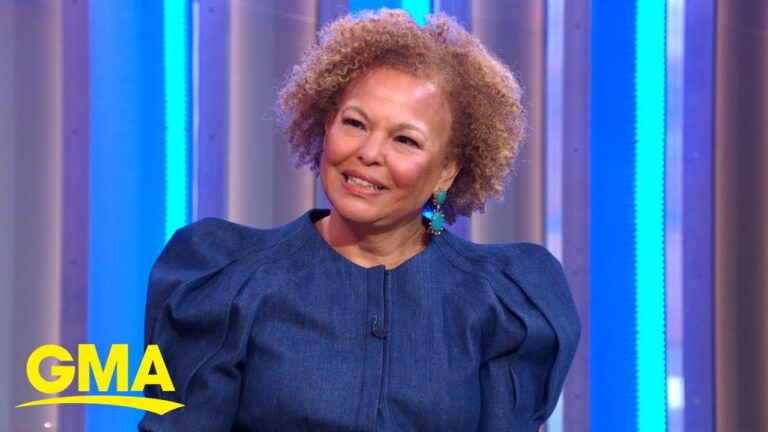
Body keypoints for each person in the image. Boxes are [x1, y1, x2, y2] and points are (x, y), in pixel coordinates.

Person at [139, 9, 580, 432]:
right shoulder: (229, 281)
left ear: (447, 171)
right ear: (325, 126)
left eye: (404, 140)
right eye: (355, 123)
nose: (369, 153)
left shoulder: (500, 301)